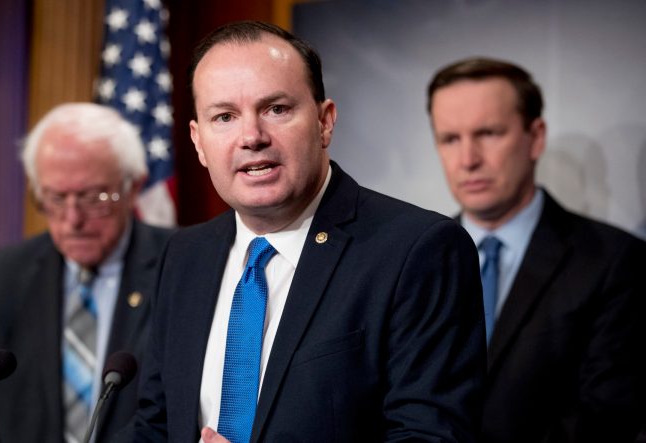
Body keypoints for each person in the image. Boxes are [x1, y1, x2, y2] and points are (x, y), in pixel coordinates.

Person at [117, 21, 485, 442]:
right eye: (225, 116)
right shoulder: (184, 255)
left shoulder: (417, 250)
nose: (252, 137)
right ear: (199, 142)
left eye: (277, 109)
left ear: (325, 121)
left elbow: (430, 436)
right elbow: (156, 426)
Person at [427, 57, 646, 443]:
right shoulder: (414, 259)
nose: (468, 160)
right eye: (450, 139)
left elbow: (608, 419)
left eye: (489, 133)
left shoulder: (616, 261)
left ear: (536, 137)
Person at [0, 102, 174, 442]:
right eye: (55, 198)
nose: (72, 220)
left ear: (134, 188)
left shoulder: (181, 268)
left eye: (93, 197)